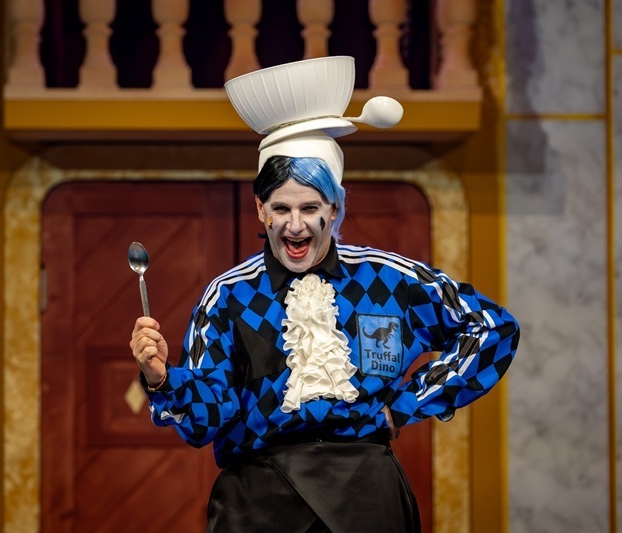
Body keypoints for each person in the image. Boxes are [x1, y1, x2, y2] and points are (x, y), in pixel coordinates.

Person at [130, 57, 520, 533]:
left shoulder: (388, 278)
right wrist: (160, 380)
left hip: (368, 493)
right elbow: (204, 423)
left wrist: (408, 404)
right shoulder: (227, 296)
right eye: (281, 208)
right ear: (261, 210)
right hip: (258, 500)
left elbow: (492, 328)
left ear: (335, 208)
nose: (295, 225)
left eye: (310, 207)